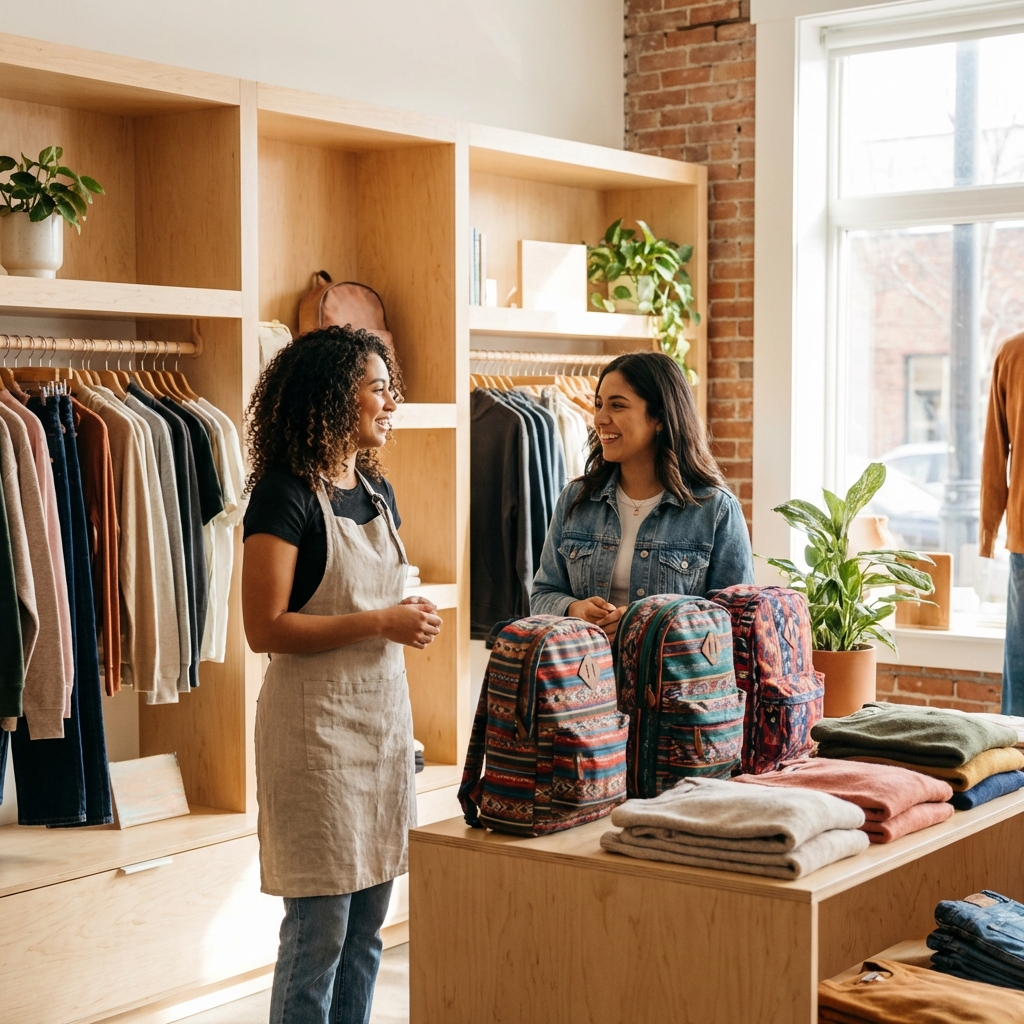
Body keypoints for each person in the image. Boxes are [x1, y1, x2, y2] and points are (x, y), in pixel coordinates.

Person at [241, 326, 442, 1024]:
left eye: (392, 387)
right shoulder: (284, 495)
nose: (391, 401)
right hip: (315, 742)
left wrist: (400, 614)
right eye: (379, 386)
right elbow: (264, 629)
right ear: (332, 396)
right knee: (318, 936)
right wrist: (382, 623)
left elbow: (373, 597)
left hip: (381, 733)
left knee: (366, 937)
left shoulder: (377, 489)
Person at [531, 351, 753, 639]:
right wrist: (574, 609)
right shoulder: (576, 499)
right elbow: (542, 595)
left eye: (617, 406)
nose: (599, 418)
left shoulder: (715, 509)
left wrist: (644, 621)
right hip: (584, 678)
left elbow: (734, 623)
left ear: (659, 418)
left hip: (671, 682)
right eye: (598, 405)